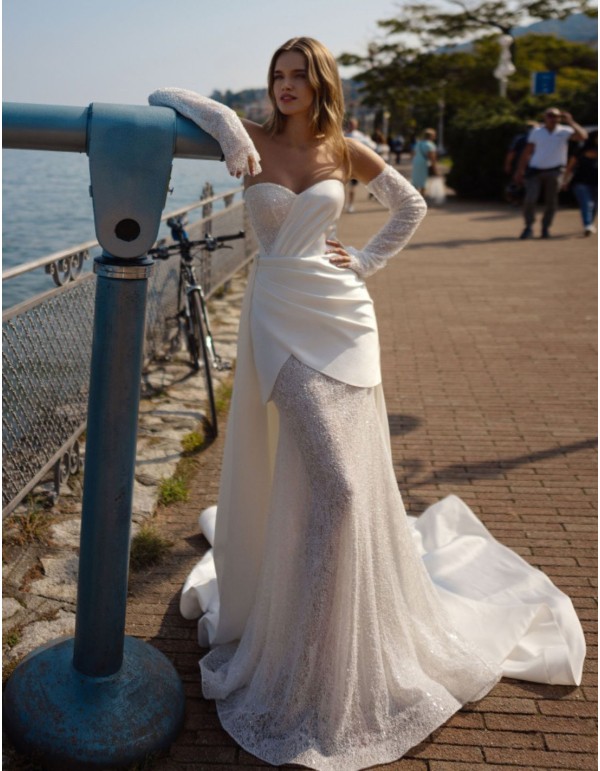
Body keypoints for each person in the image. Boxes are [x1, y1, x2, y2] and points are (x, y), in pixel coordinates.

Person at [149, 37, 585, 771]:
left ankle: (331, 646)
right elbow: (170, 96)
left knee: (341, 482)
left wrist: (370, 258)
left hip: (344, 317)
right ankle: (310, 654)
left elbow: (408, 204)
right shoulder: (250, 138)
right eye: (277, 76)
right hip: (279, 319)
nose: (286, 86)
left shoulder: (343, 148)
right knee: (342, 489)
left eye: (298, 76)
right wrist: (226, 128)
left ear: (321, 83)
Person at [515, 107, 588, 239]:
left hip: (555, 171)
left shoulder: (565, 131)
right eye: (550, 115)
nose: (553, 118)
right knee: (530, 199)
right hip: (535, 170)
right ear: (545, 117)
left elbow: (583, 136)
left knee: (551, 202)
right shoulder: (536, 131)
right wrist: (520, 170)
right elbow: (527, 151)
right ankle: (528, 226)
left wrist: (571, 122)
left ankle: (545, 227)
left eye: (556, 116)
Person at [562, 129, 598, 236]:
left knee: (595, 205)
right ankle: (587, 225)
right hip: (580, 182)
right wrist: (565, 181)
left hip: (596, 182)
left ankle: (590, 223)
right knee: (586, 203)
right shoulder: (580, 150)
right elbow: (570, 167)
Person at [343, 117, 375, 212]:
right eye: (350, 124)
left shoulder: (360, 136)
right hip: (343, 165)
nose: (351, 125)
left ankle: (350, 204)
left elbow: (372, 146)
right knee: (341, 186)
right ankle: (343, 204)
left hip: (354, 166)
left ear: (356, 125)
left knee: (352, 187)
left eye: (353, 124)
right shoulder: (343, 134)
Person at [503, 120, 538, 205]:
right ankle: (519, 200)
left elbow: (511, 152)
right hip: (528, 163)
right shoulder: (522, 138)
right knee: (520, 183)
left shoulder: (521, 138)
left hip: (531, 164)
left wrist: (508, 164)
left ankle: (519, 200)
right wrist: (508, 164)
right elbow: (512, 152)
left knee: (522, 183)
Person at [411, 128, 439, 195]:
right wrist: (435, 169)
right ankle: (421, 197)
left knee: (416, 180)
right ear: (431, 136)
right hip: (424, 163)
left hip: (416, 162)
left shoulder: (418, 143)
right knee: (423, 181)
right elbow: (432, 158)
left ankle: (414, 197)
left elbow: (413, 153)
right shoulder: (430, 144)